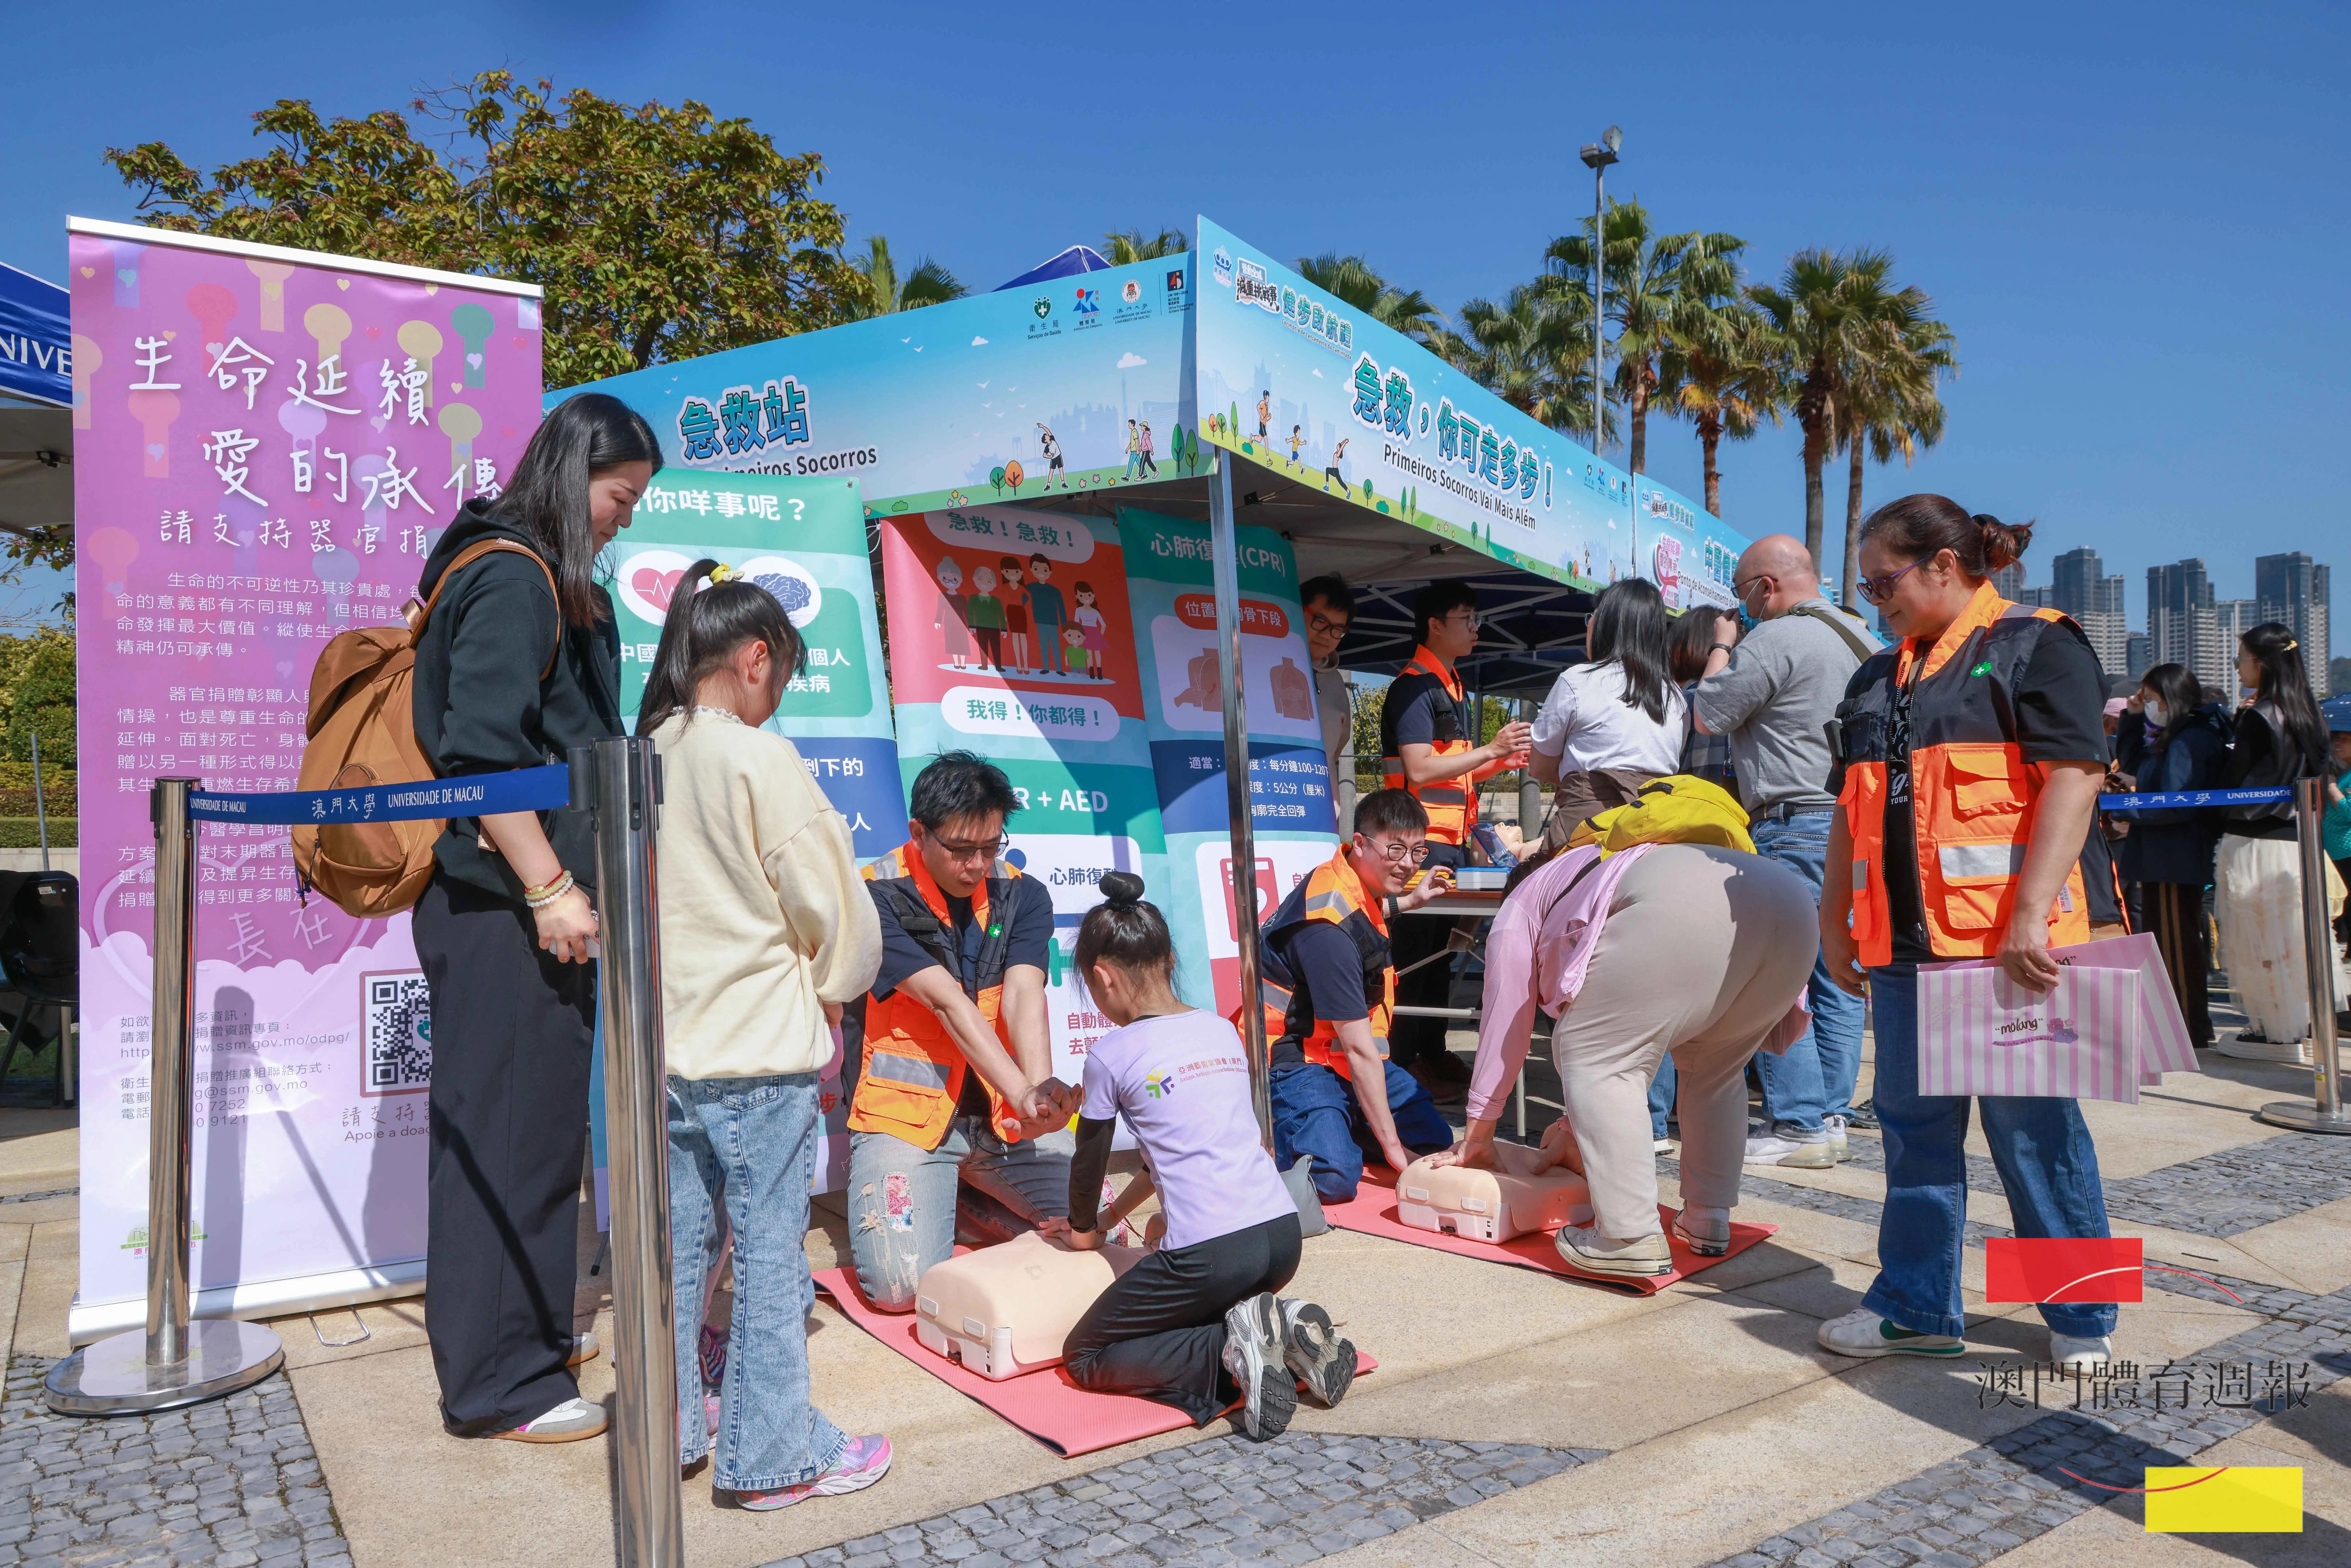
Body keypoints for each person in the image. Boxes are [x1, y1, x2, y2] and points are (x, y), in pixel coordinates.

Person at [1817, 495, 2119, 1370]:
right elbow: (1848, 810)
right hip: (1904, 951)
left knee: (2035, 1136)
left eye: (1883, 582)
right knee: (1913, 1132)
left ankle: (2083, 1317)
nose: (1876, 601)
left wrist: (2029, 914)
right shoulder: (1875, 676)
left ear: (1943, 565)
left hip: (2006, 951)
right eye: (1867, 588)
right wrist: (1835, 921)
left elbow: (2076, 778)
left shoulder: (2037, 643)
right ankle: (1916, 1307)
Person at [409, 391, 651, 1443]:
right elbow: (483, 753)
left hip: (519, 903)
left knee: (534, 1133)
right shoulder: (513, 575)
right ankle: (500, 1384)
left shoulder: (522, 569)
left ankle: (530, 1338)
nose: (624, 518)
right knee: (508, 1139)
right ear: (571, 474)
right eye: (619, 496)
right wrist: (550, 886)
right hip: (505, 906)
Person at [640, 560, 891, 1509]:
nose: (779, 690)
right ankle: (775, 1458)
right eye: (781, 672)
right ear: (755, 658)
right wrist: (833, 989)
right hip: (758, 1050)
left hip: (665, 1052)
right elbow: (836, 912)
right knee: (773, 1257)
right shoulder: (759, 757)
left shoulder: (648, 747)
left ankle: (672, 1431)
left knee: (676, 1257)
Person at [1044, 875, 1356, 1441]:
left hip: (1211, 1255)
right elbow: (1175, 1155)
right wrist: (1115, 1219)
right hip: (1281, 1237)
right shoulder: (1219, 1030)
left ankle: (1234, 1344)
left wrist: (1086, 1232)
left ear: (1102, 977)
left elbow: (1088, 1162)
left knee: (1087, 1352)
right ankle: (1284, 1329)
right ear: (1169, 960)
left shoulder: (1110, 1053)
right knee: (1206, 1306)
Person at [1432, 839, 1815, 1277]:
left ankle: (1628, 1237)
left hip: (1691, 902)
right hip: (1790, 905)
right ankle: (1707, 1218)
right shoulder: (1601, 862)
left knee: (1594, 1054)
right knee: (1716, 1071)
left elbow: (1506, 1021)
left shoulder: (1522, 902)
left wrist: (1478, 1137)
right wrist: (1573, 1127)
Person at [845, 753, 1079, 1310]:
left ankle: (974, 1203)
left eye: (990, 846)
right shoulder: (872, 894)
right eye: (960, 848)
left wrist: (1039, 1094)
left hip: (1004, 1120)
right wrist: (1023, 1090)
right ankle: (957, 1198)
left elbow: (1024, 994)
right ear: (919, 833)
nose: (977, 864)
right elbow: (946, 1002)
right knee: (901, 1288)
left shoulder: (1023, 893)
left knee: (1096, 1231)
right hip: (908, 1121)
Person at [1691, 532, 1881, 1170]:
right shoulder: (1863, 637)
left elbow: (1709, 712)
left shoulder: (1774, 637)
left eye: (1741, 593)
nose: (1741, 605)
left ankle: (1798, 1122)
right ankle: (1830, 1116)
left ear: (1765, 587)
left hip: (1793, 820)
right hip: (1855, 822)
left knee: (1777, 977)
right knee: (1839, 974)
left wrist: (1723, 645)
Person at [1246, 790, 1460, 1202]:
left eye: (1418, 851)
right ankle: (1275, 1138)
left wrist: (1409, 901)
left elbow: (1362, 918)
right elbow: (1360, 1049)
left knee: (1435, 1144)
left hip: (1339, 1056)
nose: (1407, 863)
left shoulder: (1349, 879)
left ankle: (1342, 1121)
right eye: (1395, 849)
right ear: (1360, 843)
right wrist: (1394, 1151)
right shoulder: (1326, 933)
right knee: (1332, 1176)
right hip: (1297, 1060)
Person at [1379, 582, 1533, 1085]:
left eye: (1475, 618)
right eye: (1466, 618)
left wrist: (1497, 762)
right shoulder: (1413, 686)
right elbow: (1420, 769)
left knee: (1439, 954)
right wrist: (1492, 751)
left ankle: (1433, 1052)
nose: (1475, 628)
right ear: (1434, 625)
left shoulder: (1450, 685)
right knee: (1414, 956)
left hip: (1447, 844)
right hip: (1415, 845)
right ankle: (1405, 1062)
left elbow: (1450, 770)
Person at [2212, 623, 2341, 1062]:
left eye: (2241, 659)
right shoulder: (2311, 713)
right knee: (2293, 937)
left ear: (2263, 663)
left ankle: (2272, 1032)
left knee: (2256, 942)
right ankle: (2296, 1024)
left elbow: (2234, 782)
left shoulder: (2260, 715)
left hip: (2254, 840)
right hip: (2297, 843)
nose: (2238, 668)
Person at [2113, 663, 2229, 1045]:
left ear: (2169, 699)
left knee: (2177, 943)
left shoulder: (2189, 739)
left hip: (2173, 855)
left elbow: (2176, 803)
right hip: (2164, 854)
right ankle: (2181, 1022)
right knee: (2167, 939)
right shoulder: (2174, 736)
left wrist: (2125, 811)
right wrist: (2132, 719)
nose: (2146, 705)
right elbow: (2135, 765)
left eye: (2150, 699)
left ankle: (2186, 1025)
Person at [1530, 577, 1685, 853]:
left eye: (1594, 616)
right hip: (1655, 832)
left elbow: (1539, 767)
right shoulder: (1675, 696)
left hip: (1588, 829)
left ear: (1607, 624)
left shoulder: (1577, 681)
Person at [1667, 606, 1737, 794]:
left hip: (1691, 805)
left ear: (1683, 648)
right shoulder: (1743, 700)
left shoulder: (1683, 702)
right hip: (1737, 808)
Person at [1299, 575, 1355, 786]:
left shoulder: (1336, 682)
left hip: (1320, 798)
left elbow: (1334, 755)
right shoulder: (1259, 665)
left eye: (1338, 630)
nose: (1327, 635)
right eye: (1321, 622)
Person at [1026, 554, 1069, 677]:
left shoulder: (1055, 591)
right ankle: (1046, 668)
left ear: (1050, 572)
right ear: (1032, 570)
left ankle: (1059, 669)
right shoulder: (1031, 587)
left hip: (1053, 622)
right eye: (1036, 569)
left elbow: (1062, 609)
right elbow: (1022, 600)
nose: (1041, 573)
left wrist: (1065, 627)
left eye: (1045, 570)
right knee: (1044, 645)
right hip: (1040, 621)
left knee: (1056, 645)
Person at [1071, 581, 1110, 681]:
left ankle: (1098, 672)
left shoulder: (1095, 611)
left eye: (1089, 595)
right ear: (1078, 597)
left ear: (1093, 595)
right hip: (1086, 633)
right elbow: (1076, 624)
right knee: (1090, 652)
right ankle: (1093, 672)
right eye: (1082, 596)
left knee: (1095, 652)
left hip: (1093, 633)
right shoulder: (1079, 610)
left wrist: (1100, 636)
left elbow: (1104, 625)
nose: (1086, 598)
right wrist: (1079, 636)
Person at [998, 558, 1032, 672]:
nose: (1012, 575)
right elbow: (1003, 601)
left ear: (1021, 573)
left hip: (1020, 612)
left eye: (1016, 572)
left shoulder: (1022, 588)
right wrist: (1005, 616)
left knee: (1023, 637)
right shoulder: (1004, 587)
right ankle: (1019, 664)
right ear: (1003, 572)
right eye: (1008, 571)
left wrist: (1022, 604)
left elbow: (1028, 596)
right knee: (1015, 637)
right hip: (1011, 611)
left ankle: (1026, 665)